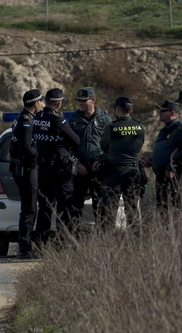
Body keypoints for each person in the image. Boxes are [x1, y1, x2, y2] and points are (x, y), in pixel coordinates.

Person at [31, 88, 92, 241]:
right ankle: (63, 243)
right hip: (59, 170)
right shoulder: (58, 120)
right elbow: (76, 140)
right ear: (58, 103)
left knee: (45, 207)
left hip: (43, 169)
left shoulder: (37, 117)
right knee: (64, 208)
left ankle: (41, 243)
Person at [64, 86, 111, 227]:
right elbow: (67, 147)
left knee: (101, 206)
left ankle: (102, 239)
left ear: (93, 100)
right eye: (79, 101)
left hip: (99, 169)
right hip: (80, 170)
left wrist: (102, 161)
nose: (81, 103)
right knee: (76, 206)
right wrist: (77, 164)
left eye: (84, 100)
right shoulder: (73, 121)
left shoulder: (104, 119)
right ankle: (74, 241)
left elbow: (111, 145)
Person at [97, 96, 145, 227]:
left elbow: (103, 146)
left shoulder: (112, 127)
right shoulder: (140, 127)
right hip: (133, 171)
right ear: (131, 110)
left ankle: (107, 242)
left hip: (114, 171)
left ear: (117, 109)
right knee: (133, 209)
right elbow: (140, 145)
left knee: (108, 210)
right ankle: (136, 241)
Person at [9, 89, 44, 257]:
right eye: (41, 102)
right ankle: (25, 248)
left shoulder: (20, 118)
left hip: (22, 168)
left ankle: (26, 245)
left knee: (28, 209)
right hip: (26, 169)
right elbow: (25, 147)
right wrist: (40, 153)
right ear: (36, 103)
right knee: (30, 210)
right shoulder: (27, 121)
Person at [147, 99, 182, 212]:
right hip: (160, 175)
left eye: (163, 111)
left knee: (173, 206)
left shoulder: (178, 128)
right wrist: (151, 160)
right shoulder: (163, 131)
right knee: (161, 206)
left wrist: (171, 166)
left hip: (171, 176)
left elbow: (180, 150)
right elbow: (163, 149)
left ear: (172, 113)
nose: (160, 113)